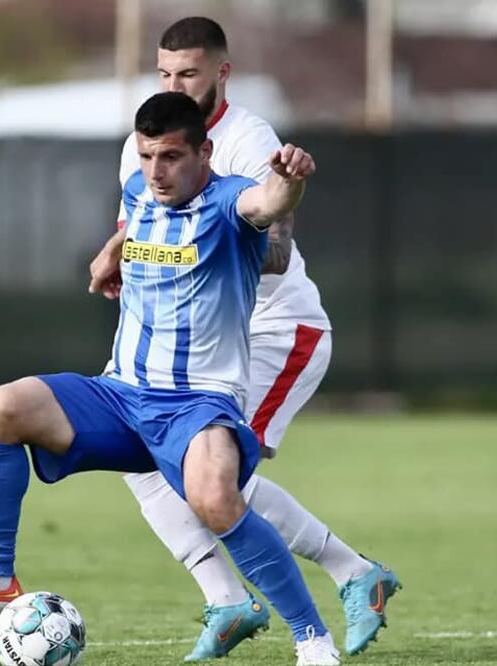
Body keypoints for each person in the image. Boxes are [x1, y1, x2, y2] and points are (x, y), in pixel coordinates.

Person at [0, 92, 341, 665]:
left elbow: (268, 202)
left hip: (197, 405)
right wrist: (112, 253)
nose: (156, 170)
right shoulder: (139, 193)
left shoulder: (230, 202)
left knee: (215, 497)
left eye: (170, 156)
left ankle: (312, 639)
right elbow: (142, 224)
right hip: (121, 395)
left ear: (204, 153)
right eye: (147, 156)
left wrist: (289, 180)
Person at [86, 18, 399, 660]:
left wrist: (198, 247)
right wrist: (119, 252)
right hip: (193, 342)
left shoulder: (249, 140)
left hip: (273, 330)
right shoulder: (147, 138)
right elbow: (142, 223)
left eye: (189, 73)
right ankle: (229, 598)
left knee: (209, 474)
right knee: (143, 461)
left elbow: (274, 253)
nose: (175, 85)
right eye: (165, 73)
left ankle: (349, 572)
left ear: (221, 73)